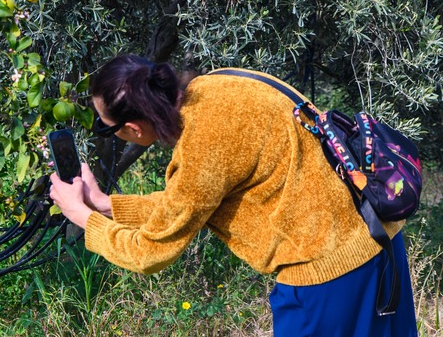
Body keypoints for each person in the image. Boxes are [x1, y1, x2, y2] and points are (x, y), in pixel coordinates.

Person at [48, 55, 417, 336]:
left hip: (327, 278)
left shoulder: (202, 146)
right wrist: (104, 204)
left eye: (105, 126)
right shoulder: (218, 86)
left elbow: (148, 252)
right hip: (380, 241)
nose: (106, 132)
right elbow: (190, 202)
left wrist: (82, 217)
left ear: (131, 127)